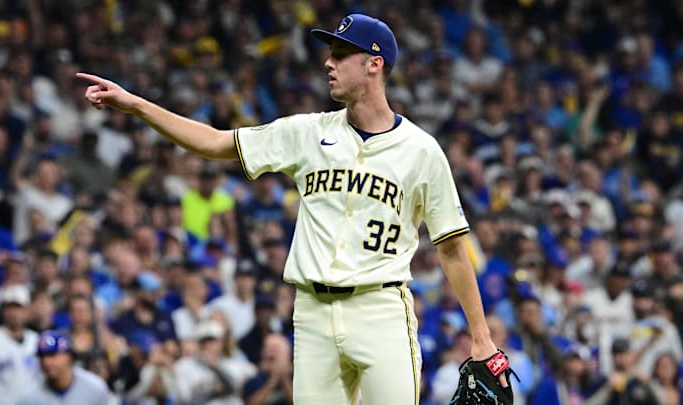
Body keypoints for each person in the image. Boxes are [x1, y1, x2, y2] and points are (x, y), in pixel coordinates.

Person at [76, 12, 504, 404]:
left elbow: (450, 246)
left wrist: (481, 338)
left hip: (381, 310)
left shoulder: (421, 151)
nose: (328, 63)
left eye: (340, 53)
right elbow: (213, 142)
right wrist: (135, 105)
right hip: (313, 314)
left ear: (374, 64)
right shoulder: (306, 132)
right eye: (329, 54)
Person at [16, 330, 113, 405]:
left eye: (52, 355)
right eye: (42, 356)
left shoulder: (95, 387)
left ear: (69, 356)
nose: (46, 362)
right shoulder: (29, 397)